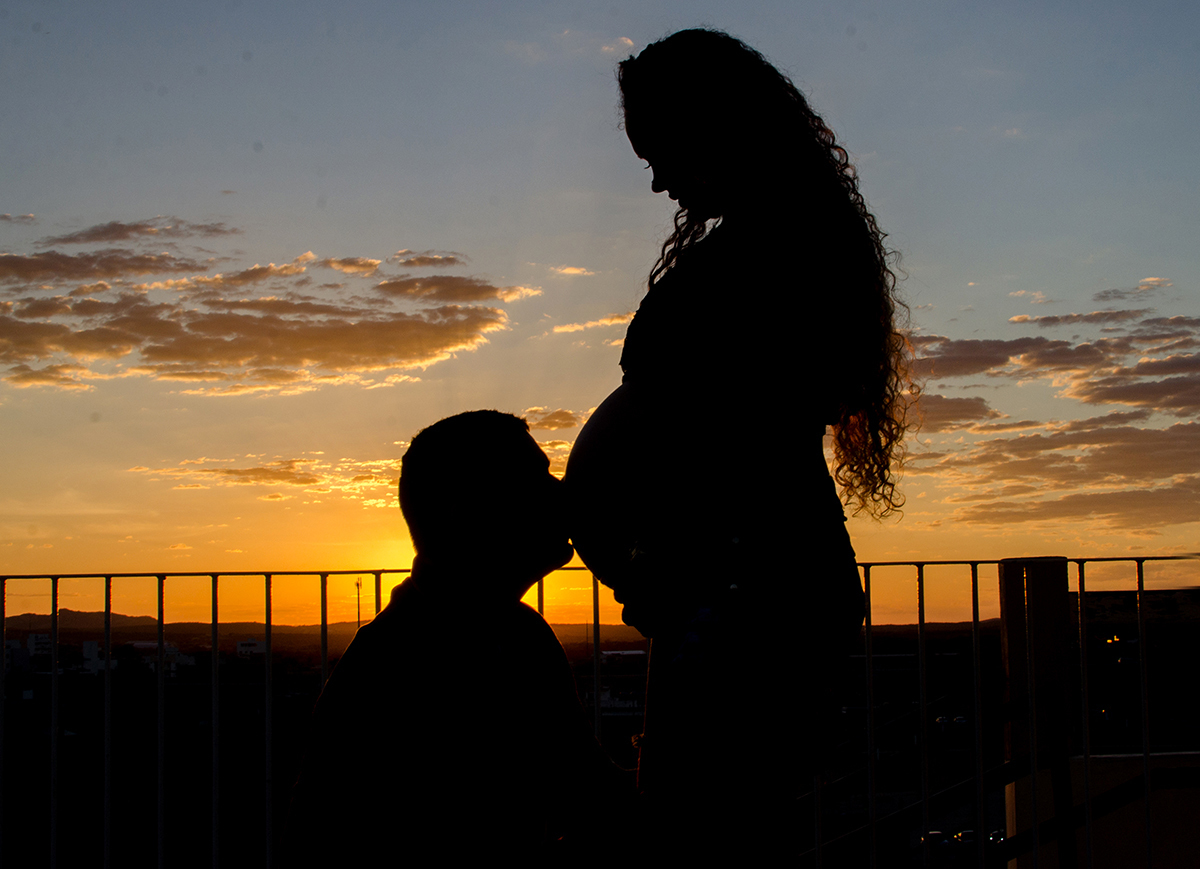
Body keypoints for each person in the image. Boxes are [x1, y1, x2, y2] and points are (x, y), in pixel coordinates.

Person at [565, 29, 912, 861]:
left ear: (714, 127)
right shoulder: (788, 242)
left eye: (661, 151)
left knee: (703, 836)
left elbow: (717, 430)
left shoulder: (772, 255)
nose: (656, 181)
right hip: (743, 591)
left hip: (745, 599)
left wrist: (647, 556)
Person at [285, 410, 629, 864]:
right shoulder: (405, 668)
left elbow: (589, 795)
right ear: (469, 514)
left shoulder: (512, 633)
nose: (560, 493)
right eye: (535, 478)